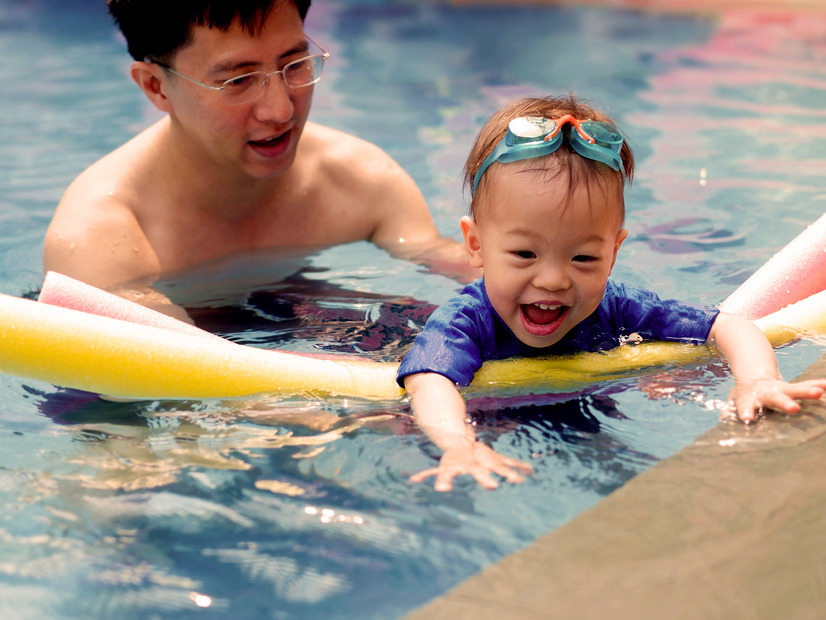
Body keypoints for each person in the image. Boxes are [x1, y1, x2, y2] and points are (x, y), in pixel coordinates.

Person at [397, 94, 826, 492]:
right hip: (486, 428)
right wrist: (458, 444)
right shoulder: (467, 320)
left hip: (584, 417)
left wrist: (756, 380)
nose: (553, 280)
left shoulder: (618, 307)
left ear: (614, 252)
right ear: (475, 245)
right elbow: (430, 381)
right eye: (525, 254)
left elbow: (728, 326)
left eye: (583, 257)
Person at [43, 0, 470, 320]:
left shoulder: (360, 178)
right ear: (156, 87)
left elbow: (455, 264)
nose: (280, 110)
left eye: (295, 64)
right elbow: (184, 383)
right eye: (239, 80)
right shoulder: (102, 235)